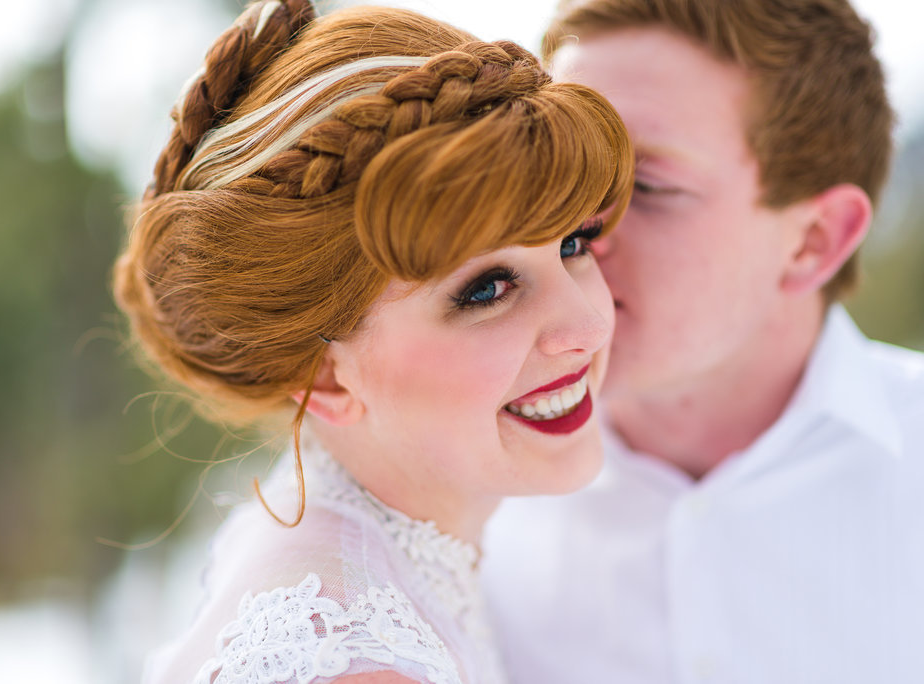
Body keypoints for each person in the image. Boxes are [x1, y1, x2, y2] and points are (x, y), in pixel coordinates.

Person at [113, 1, 633, 682]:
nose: (588, 326)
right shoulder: (360, 661)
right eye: (487, 289)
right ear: (325, 376)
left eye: (574, 243)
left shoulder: (341, 554)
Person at [482, 0, 924, 682]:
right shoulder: (446, 479)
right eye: (562, 167)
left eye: (647, 186)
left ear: (814, 241)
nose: (568, 222)